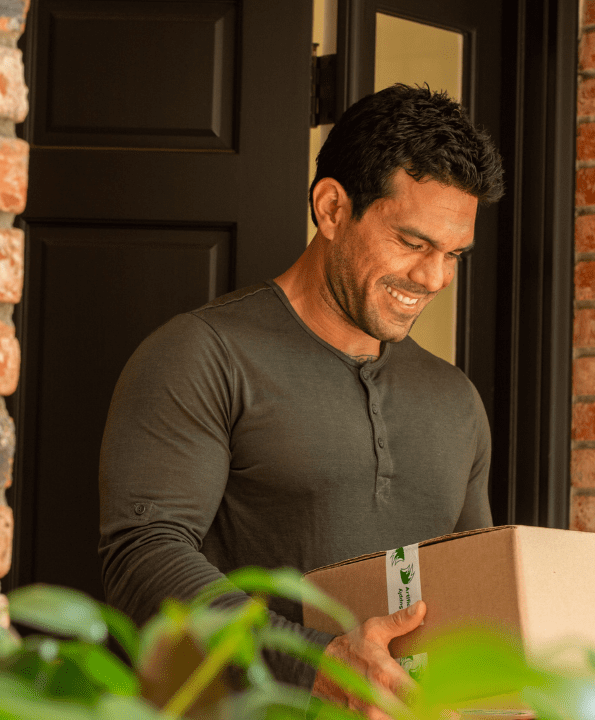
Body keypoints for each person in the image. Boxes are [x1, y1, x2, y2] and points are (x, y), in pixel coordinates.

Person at [97, 83, 506, 717]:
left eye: (453, 254)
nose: (434, 278)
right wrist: (316, 663)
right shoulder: (202, 354)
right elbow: (142, 556)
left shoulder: (456, 400)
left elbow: (476, 590)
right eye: (412, 243)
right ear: (333, 208)